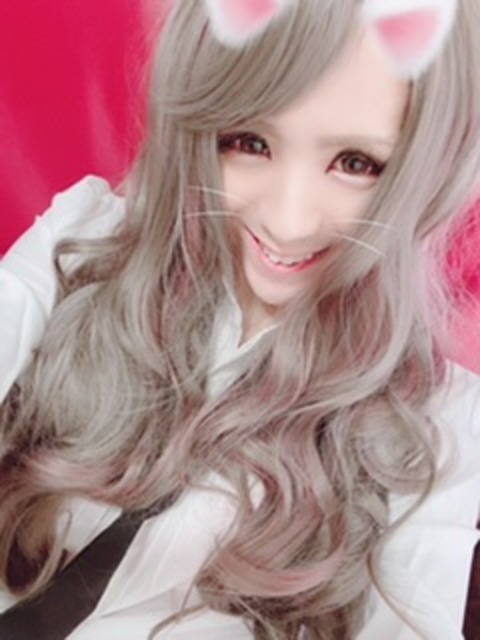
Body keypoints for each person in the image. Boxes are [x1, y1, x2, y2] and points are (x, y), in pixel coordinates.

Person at [1, 0, 479, 638]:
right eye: (250, 142)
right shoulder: (86, 240)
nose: (289, 221)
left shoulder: (438, 420)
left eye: (357, 163)